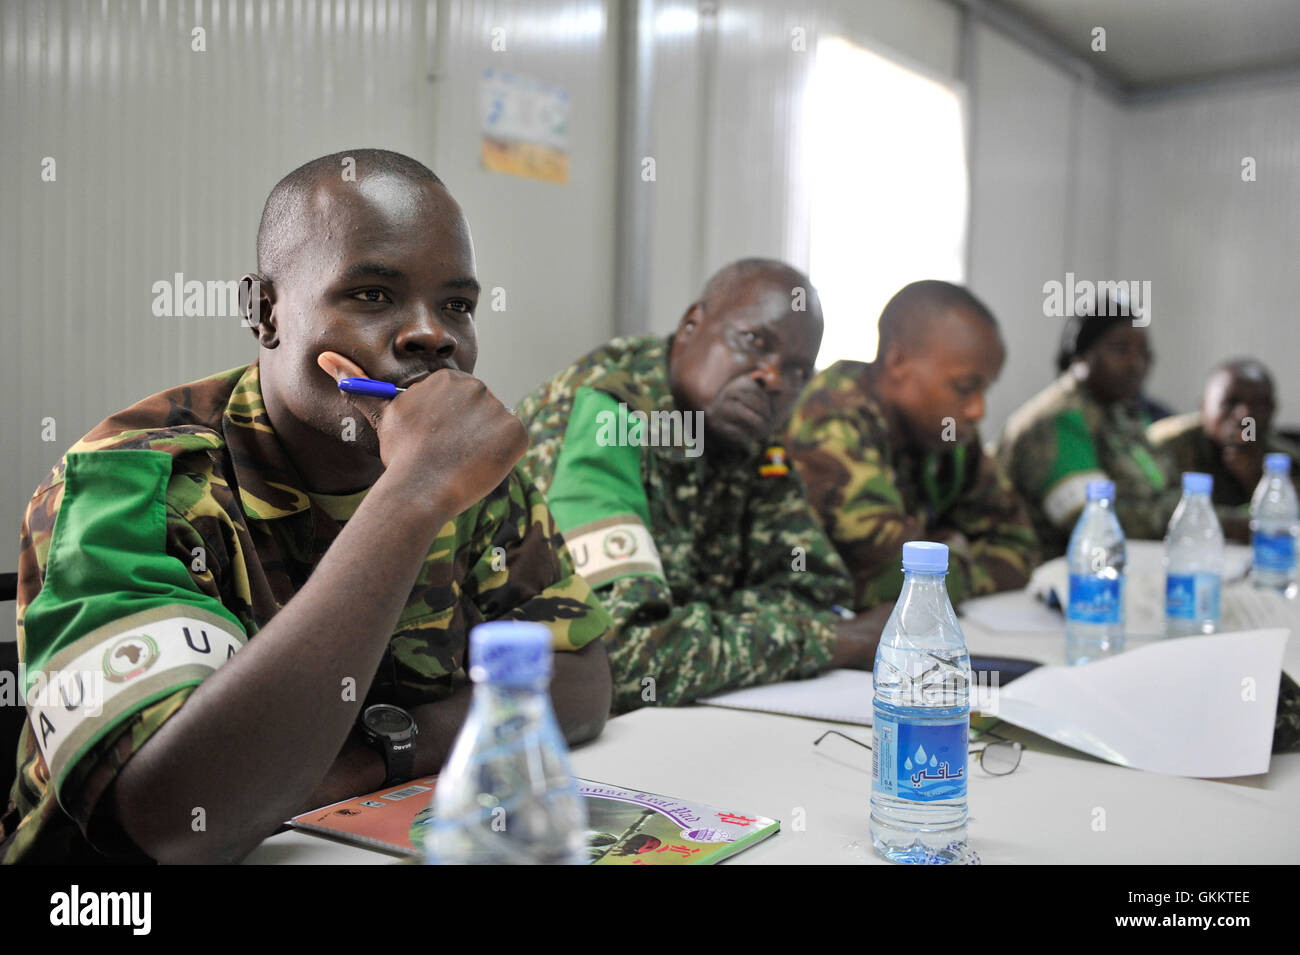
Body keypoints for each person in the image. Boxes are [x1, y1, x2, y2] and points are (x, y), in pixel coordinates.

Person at [1, 149, 614, 864]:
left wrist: (370, 755)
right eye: (373, 295)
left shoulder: (460, 461)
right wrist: (411, 494)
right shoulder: (130, 486)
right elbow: (176, 815)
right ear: (265, 311)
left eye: (457, 305)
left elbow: (580, 678)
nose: (433, 335)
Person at [515, 259, 878, 713]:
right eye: (754, 342)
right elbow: (626, 656)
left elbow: (816, 590)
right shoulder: (608, 416)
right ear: (692, 325)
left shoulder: (746, 430)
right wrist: (837, 642)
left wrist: (700, 634)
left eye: (798, 372)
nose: (772, 379)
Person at [784, 281, 1037, 612]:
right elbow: (888, 578)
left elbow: (1019, 545)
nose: (978, 410)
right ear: (898, 362)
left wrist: (942, 560)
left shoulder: (947, 430)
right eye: (964, 387)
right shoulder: (831, 422)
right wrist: (955, 550)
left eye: (984, 390)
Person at [998, 300, 1179, 557]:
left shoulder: (1120, 412)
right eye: (1121, 349)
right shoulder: (1057, 420)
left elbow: (1165, 485)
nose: (1135, 364)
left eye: (1144, 354)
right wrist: (1187, 516)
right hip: (1062, 578)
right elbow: (1095, 523)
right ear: (1080, 352)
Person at [1148, 358, 1300, 541]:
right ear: (1204, 407)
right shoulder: (1167, 446)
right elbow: (1152, 512)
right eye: (1231, 402)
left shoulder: (1284, 457)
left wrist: (1257, 479)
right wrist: (1233, 524)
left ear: (1272, 409)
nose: (1245, 414)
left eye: (1258, 403)